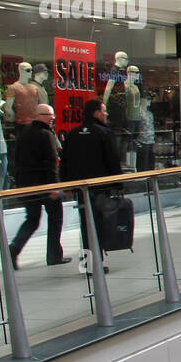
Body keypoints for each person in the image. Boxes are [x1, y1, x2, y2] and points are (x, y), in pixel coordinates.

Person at [58, 97, 123, 270]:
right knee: (100, 223)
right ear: (96, 113)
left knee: (86, 225)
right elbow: (112, 160)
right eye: (104, 111)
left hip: (81, 188)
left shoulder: (72, 134)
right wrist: (118, 183)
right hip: (101, 187)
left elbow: (64, 161)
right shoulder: (104, 133)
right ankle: (96, 262)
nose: (106, 114)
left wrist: (66, 184)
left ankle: (88, 264)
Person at [8, 104, 70, 270]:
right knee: (55, 218)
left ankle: (14, 248)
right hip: (45, 185)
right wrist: (54, 186)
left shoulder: (23, 134)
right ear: (38, 115)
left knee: (32, 219)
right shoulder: (46, 134)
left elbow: (16, 160)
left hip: (27, 186)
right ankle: (54, 255)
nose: (52, 118)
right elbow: (51, 163)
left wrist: (19, 183)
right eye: (49, 115)